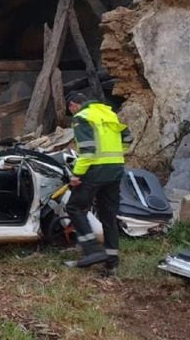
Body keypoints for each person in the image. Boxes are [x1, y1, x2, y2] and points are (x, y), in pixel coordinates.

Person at [64, 91, 131, 275]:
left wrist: (76, 174)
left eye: (70, 110)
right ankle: (111, 262)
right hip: (115, 169)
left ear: (73, 105)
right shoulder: (109, 113)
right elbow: (127, 138)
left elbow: (87, 152)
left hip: (95, 171)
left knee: (75, 207)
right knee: (108, 215)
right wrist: (115, 154)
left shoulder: (81, 117)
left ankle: (92, 250)